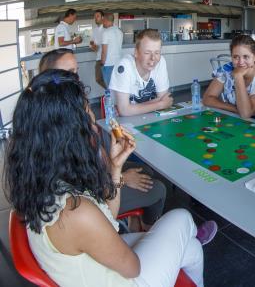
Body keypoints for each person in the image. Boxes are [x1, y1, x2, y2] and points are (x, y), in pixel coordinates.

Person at [5, 69, 216, 287]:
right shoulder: (76, 212)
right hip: (124, 278)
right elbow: (133, 267)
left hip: (93, 262)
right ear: (68, 133)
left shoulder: (42, 181)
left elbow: (106, 219)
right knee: (181, 217)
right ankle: (185, 238)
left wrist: (115, 168)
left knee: (192, 248)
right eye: (87, 110)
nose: (93, 118)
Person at [38, 49, 167, 232]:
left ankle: (134, 223)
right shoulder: (58, 124)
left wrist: (115, 164)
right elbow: (78, 180)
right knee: (158, 189)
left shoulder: (76, 105)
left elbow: (96, 151)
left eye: (75, 71)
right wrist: (120, 178)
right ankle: (146, 233)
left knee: (145, 170)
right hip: (90, 195)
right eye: (67, 73)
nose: (75, 78)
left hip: (99, 175)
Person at [202, 34, 255, 121]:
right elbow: (207, 99)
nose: (241, 62)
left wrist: (238, 76)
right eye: (236, 57)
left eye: (246, 57)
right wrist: (235, 109)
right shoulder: (227, 69)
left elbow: (245, 114)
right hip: (234, 119)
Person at [110, 29, 173, 116]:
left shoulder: (161, 62)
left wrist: (132, 108)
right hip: (121, 123)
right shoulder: (124, 66)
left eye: (157, 53)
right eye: (147, 53)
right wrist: (160, 104)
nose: (153, 58)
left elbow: (165, 98)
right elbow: (124, 111)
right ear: (136, 53)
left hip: (148, 117)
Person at [101, 13, 123, 87]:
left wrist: (102, 63)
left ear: (106, 20)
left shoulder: (106, 32)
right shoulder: (120, 32)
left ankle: (110, 98)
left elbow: (104, 51)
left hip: (108, 64)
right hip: (118, 62)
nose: (102, 22)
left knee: (109, 87)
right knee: (117, 86)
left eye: (103, 20)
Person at [90, 9, 106, 88]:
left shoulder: (107, 29)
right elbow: (91, 41)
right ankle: (111, 93)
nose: (95, 18)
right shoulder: (94, 30)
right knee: (98, 79)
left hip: (106, 58)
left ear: (102, 17)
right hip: (98, 58)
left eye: (98, 16)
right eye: (95, 17)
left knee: (105, 78)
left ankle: (112, 94)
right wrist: (93, 45)